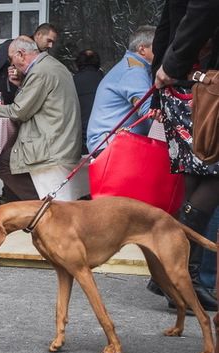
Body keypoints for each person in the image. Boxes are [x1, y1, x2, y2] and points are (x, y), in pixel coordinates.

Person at [147, 0, 219, 321]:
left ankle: (171, 275)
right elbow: (202, 11)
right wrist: (170, 68)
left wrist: (160, 82)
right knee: (213, 176)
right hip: (205, 83)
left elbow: (166, 25)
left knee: (194, 178)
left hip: (184, 81)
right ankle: (180, 276)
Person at [0, 37, 84, 201]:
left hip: (51, 145)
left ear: (21, 54)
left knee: (1, 162)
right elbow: (37, 101)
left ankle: (41, 205)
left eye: (11, 59)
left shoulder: (40, 72)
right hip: (61, 138)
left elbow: (19, 111)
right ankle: (36, 206)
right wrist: (20, 85)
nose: (12, 65)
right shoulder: (53, 65)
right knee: (11, 157)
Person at [86, 26, 156, 153]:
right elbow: (150, 110)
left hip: (108, 143)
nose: (163, 51)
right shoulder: (134, 71)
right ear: (142, 49)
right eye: (158, 47)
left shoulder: (128, 66)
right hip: (113, 147)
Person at [72, 49, 103, 154]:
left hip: (78, 140)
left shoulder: (71, 83)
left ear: (78, 64)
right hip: (101, 139)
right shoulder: (105, 81)